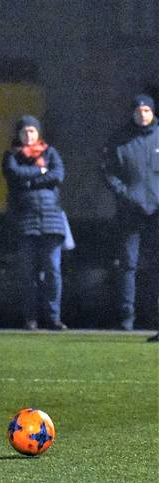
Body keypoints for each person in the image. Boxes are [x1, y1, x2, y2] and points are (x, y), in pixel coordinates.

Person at [2, 115, 69, 331]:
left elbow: (58, 175)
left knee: (53, 270)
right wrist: (41, 171)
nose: (28, 135)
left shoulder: (50, 152)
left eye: (32, 131)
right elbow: (13, 173)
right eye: (24, 132)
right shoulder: (10, 155)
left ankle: (53, 317)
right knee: (27, 273)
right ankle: (30, 318)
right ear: (18, 135)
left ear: (38, 133)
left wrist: (30, 181)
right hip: (25, 221)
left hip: (52, 220)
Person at [102, 93, 159, 331]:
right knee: (128, 265)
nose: (142, 115)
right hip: (130, 211)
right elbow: (108, 172)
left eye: (146, 111)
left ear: (153, 112)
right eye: (138, 111)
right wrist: (125, 195)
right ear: (132, 113)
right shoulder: (120, 139)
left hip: (157, 211)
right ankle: (127, 318)